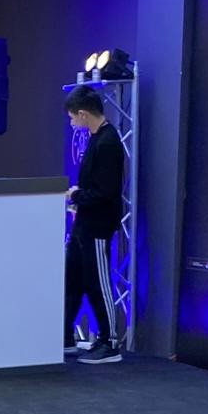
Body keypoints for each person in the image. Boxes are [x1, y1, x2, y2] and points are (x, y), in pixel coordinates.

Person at [62, 85, 126, 365]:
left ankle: (110, 341)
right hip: (84, 224)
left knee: (98, 283)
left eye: (72, 117)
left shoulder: (108, 142)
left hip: (97, 225)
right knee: (73, 280)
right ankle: (64, 335)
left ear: (83, 114)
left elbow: (105, 192)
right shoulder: (96, 138)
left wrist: (76, 195)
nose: (71, 122)